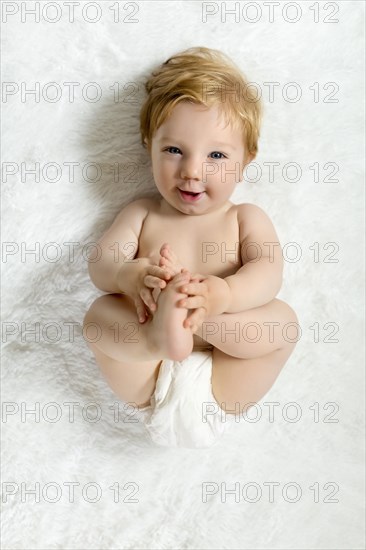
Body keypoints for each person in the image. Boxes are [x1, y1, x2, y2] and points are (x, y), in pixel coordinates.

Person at [83, 46, 299, 447]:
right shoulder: (142, 213)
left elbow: (269, 273)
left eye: (216, 154)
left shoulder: (244, 218)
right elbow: (101, 266)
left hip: (223, 380)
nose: (191, 170)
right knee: (99, 314)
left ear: (247, 160)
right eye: (173, 150)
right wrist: (129, 277)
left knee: (282, 322)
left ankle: (195, 322)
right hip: (149, 371)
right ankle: (161, 335)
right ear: (149, 145)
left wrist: (222, 295)